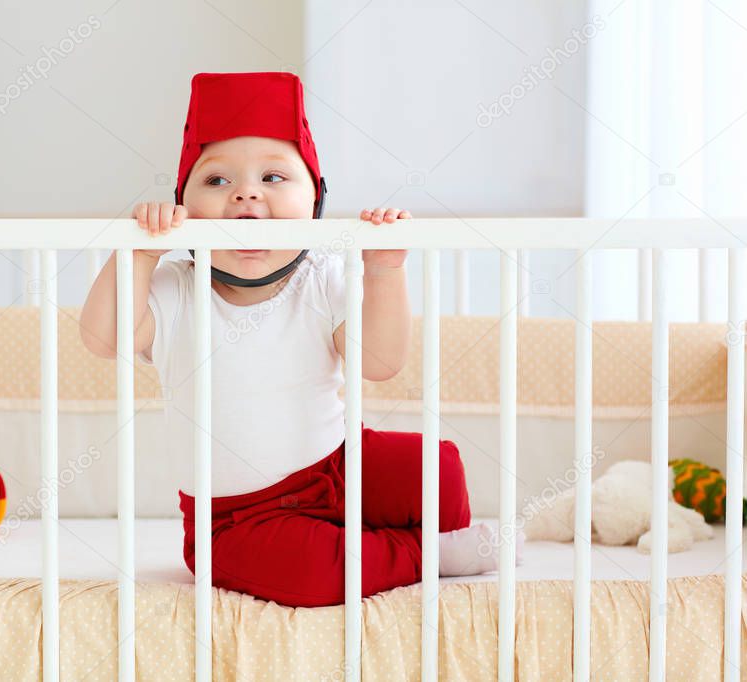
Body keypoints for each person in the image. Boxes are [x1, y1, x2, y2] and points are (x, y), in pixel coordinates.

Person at [79, 71, 519, 607]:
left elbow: (380, 362)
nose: (246, 193)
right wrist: (138, 253)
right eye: (216, 181)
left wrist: (384, 273)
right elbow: (103, 340)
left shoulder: (325, 277)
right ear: (182, 206)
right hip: (238, 519)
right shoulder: (174, 289)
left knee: (438, 466)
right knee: (313, 573)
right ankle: (428, 555)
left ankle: (383, 544)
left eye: (273, 177)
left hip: (336, 465)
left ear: (315, 203)